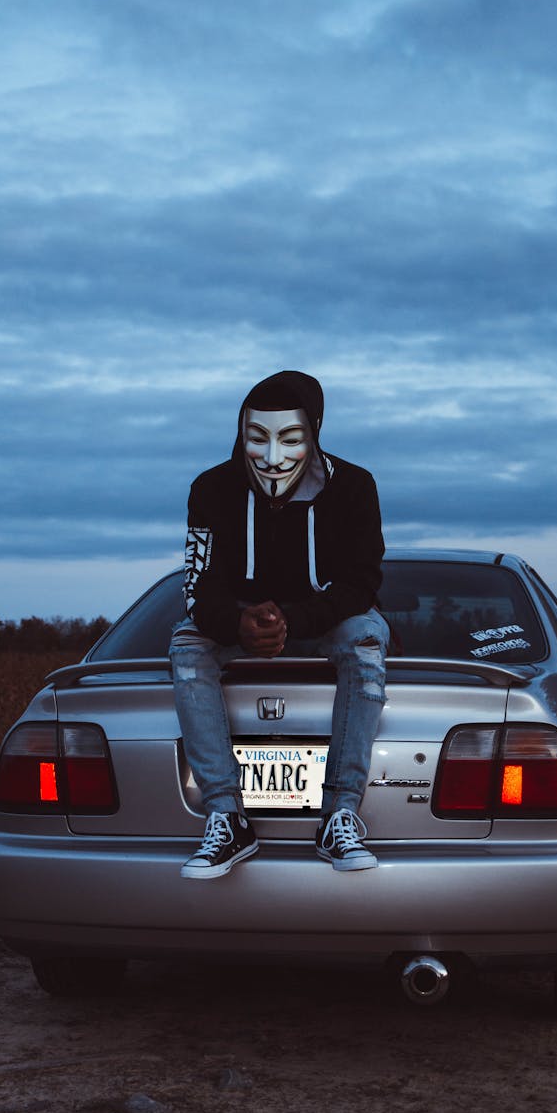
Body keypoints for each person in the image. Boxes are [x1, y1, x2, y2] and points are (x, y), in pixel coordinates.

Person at [169, 370, 388, 880]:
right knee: (186, 643)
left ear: (313, 434)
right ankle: (226, 815)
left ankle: (340, 814)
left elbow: (361, 583)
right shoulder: (211, 489)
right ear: (240, 432)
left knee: (365, 639)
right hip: (240, 622)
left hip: (327, 619)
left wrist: (295, 618)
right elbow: (198, 586)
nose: (271, 456)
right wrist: (236, 622)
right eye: (256, 437)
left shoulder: (354, 487)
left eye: (289, 439)